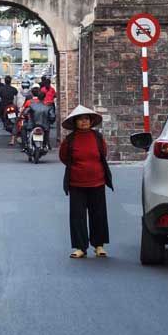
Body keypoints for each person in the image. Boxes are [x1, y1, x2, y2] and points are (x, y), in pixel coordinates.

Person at [59, 105, 113, 259]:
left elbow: (103, 153)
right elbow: (64, 157)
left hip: (97, 181)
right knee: (78, 216)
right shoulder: (70, 140)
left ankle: (99, 245)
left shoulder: (97, 137)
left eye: (86, 119)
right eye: (80, 120)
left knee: (99, 214)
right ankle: (80, 247)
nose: (84, 122)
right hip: (76, 183)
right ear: (75, 123)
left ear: (91, 121)